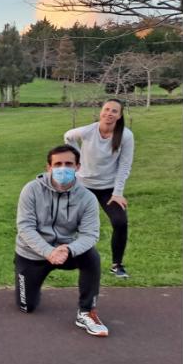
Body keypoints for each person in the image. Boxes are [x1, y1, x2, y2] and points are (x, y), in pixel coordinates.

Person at [14, 145, 108, 337]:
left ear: (78, 167)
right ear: (48, 167)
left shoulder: (87, 198)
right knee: (26, 306)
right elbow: (25, 227)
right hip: (32, 253)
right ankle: (30, 285)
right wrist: (48, 251)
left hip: (66, 251)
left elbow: (90, 234)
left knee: (91, 257)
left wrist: (69, 249)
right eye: (58, 164)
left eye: (68, 164)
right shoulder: (31, 190)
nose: (63, 168)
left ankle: (86, 311)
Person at [64, 98, 135, 278]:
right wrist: (78, 159)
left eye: (114, 111)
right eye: (107, 109)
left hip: (108, 189)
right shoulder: (89, 131)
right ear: (101, 111)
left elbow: (124, 166)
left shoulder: (125, 136)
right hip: (84, 186)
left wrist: (118, 193)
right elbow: (68, 136)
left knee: (120, 222)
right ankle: (69, 257)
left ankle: (116, 265)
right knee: (70, 221)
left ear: (119, 116)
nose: (109, 114)